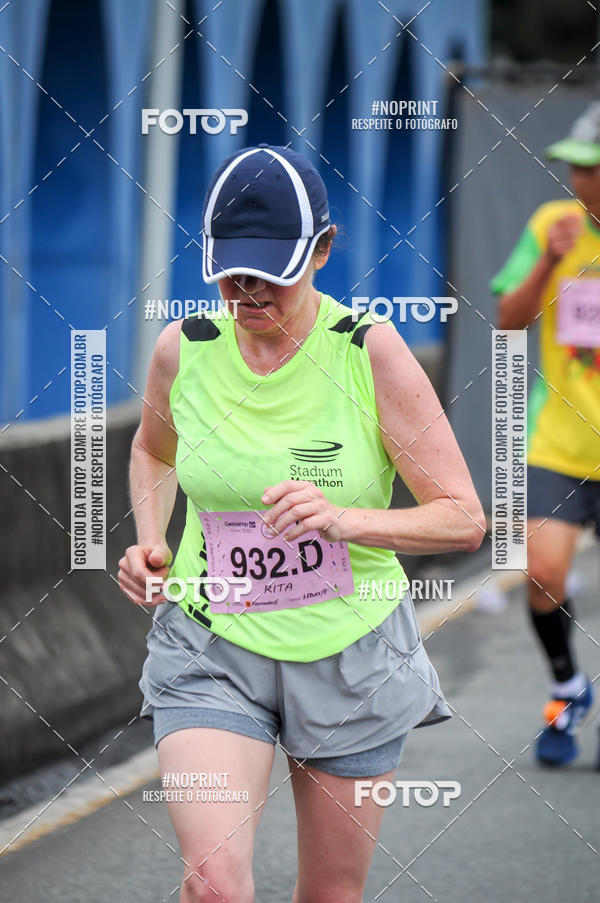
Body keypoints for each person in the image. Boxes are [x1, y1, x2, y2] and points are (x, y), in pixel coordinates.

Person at [119, 143, 485, 903]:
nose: (248, 288)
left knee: (330, 893)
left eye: (272, 269)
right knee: (214, 882)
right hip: (210, 644)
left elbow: (463, 520)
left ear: (322, 250)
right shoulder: (182, 349)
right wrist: (150, 539)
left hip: (352, 654)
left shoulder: (367, 352)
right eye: (231, 268)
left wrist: (343, 518)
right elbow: (152, 449)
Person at [491, 103, 600, 768]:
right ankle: (567, 690)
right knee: (542, 571)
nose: (581, 179)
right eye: (577, 166)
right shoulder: (550, 227)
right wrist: (548, 263)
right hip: (558, 439)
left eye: (593, 168)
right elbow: (508, 319)